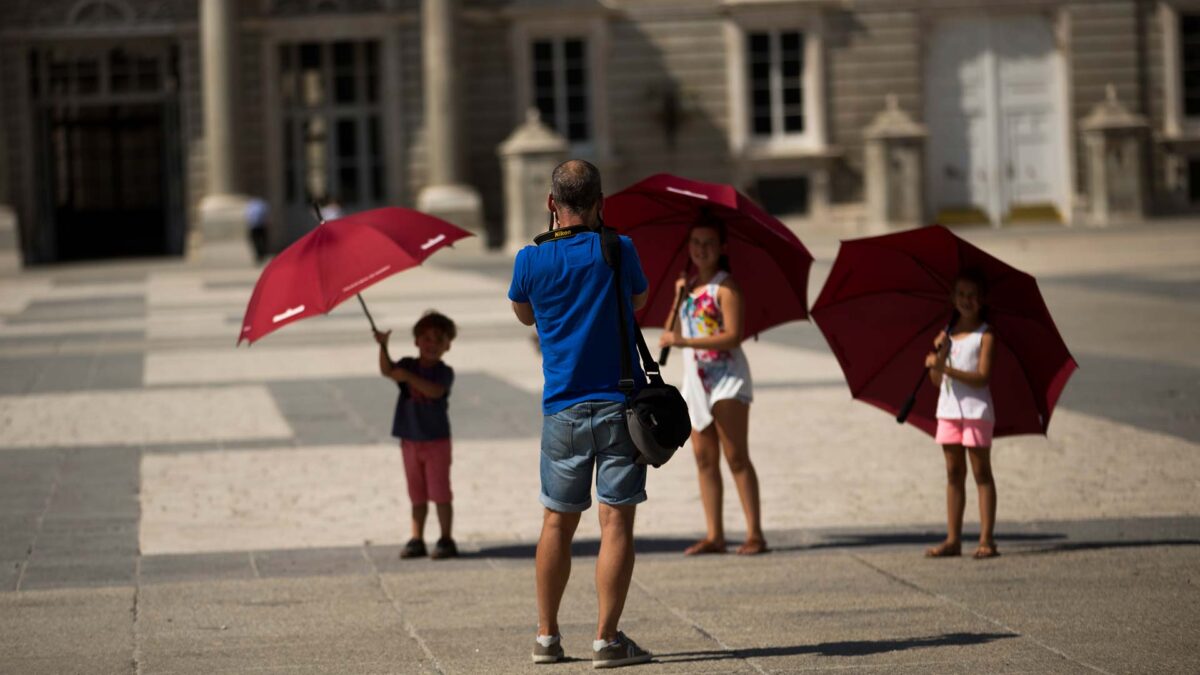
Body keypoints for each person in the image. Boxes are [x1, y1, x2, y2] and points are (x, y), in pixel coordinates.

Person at [509, 159, 654, 668]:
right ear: (600, 203)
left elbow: (525, 312)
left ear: (551, 203)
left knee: (556, 524)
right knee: (615, 524)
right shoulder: (620, 248)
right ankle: (606, 640)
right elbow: (639, 298)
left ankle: (547, 637)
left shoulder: (528, 260)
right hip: (619, 404)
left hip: (562, 410)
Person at [658, 220, 767, 556]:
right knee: (704, 458)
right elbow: (669, 332)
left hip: (727, 379)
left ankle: (755, 534)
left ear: (722, 248)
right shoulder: (687, 288)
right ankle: (714, 534)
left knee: (736, 456)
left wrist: (684, 340)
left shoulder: (726, 287)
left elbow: (733, 335)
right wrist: (677, 297)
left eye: (708, 242)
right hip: (696, 382)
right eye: (695, 242)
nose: (700, 248)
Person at [924, 270, 998, 559]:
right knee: (954, 473)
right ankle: (953, 539)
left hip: (976, 411)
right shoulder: (947, 335)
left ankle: (986, 538)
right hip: (948, 411)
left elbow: (982, 377)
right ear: (952, 298)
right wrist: (937, 359)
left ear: (981, 299)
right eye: (961, 295)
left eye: (972, 295)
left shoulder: (985, 333)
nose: (966, 300)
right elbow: (935, 381)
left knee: (981, 473)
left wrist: (946, 369)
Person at [374, 311, 459, 560]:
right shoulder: (408, 364)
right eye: (426, 338)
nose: (431, 344)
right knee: (417, 493)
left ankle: (445, 538)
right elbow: (387, 370)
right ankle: (417, 538)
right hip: (409, 441)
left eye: (438, 339)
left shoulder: (444, 372)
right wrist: (383, 346)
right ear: (416, 341)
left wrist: (408, 377)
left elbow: (435, 392)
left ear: (447, 345)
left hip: (436, 443)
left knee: (441, 492)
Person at [245, 197, 270, 263]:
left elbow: (248, 216)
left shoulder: (252, 205)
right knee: (260, 241)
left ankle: (260, 254)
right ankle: (260, 255)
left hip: (256, 226)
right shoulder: (260, 205)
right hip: (258, 226)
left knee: (257, 241)